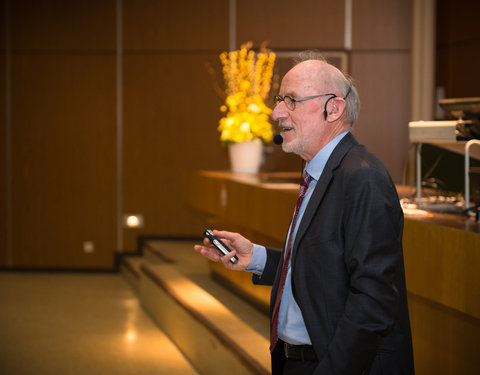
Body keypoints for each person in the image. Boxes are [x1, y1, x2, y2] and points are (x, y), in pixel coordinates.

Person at [194, 51, 414, 375]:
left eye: (291, 100)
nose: (277, 111)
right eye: (280, 99)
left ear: (334, 108)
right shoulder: (318, 171)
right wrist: (255, 257)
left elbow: (373, 301)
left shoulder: (363, 178)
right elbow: (322, 268)